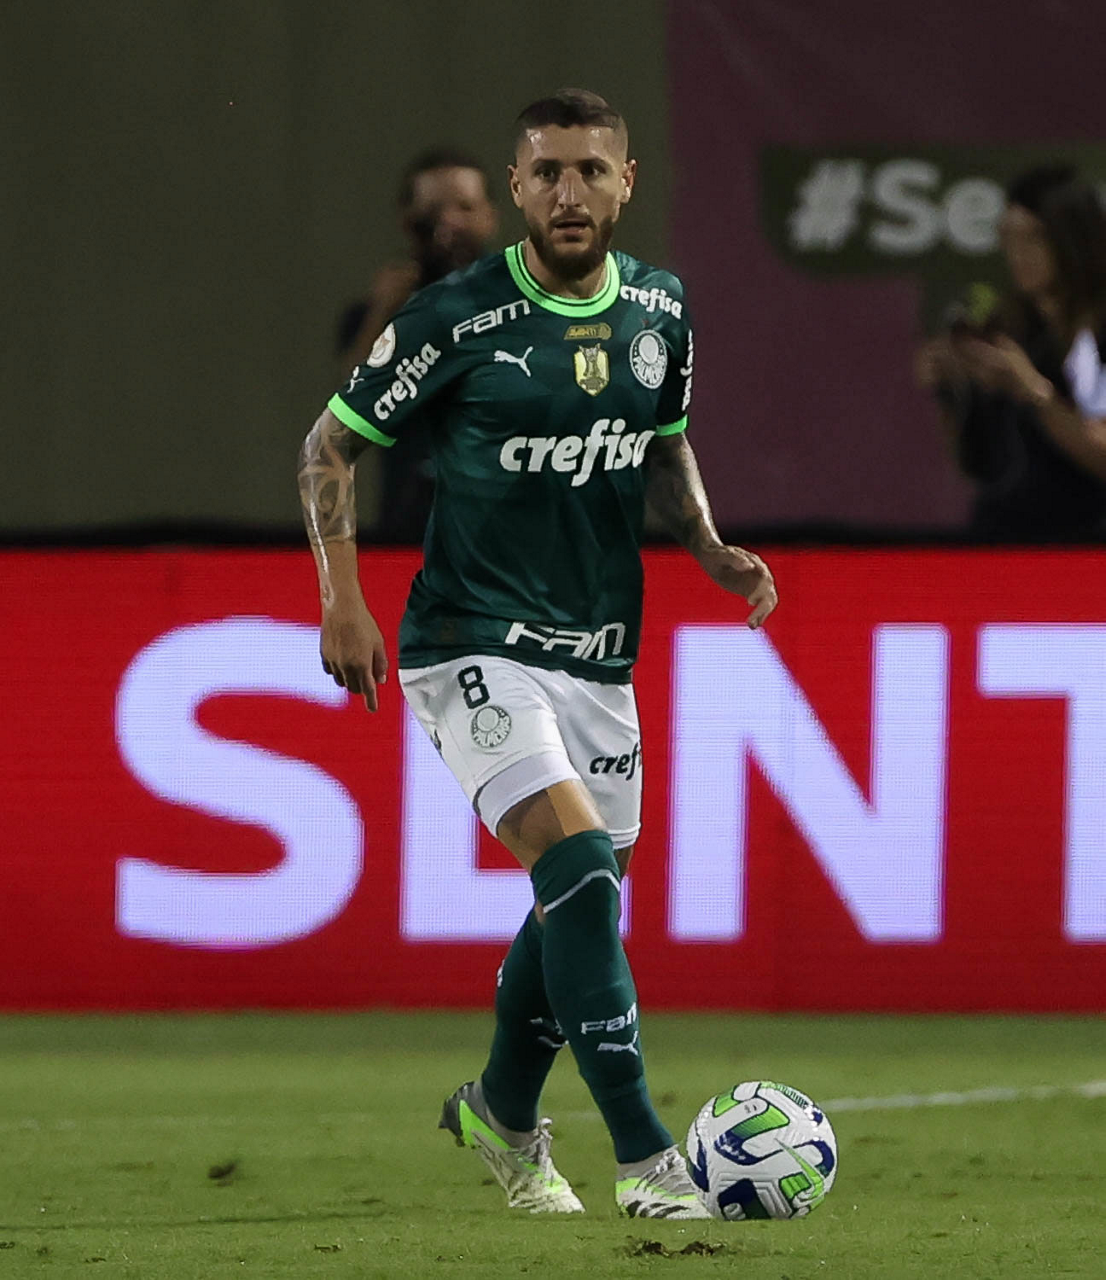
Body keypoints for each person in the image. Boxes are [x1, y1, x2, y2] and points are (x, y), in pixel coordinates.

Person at [298, 88, 777, 1218]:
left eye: (590, 170)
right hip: (469, 639)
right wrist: (342, 600)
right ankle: (649, 1160)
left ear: (625, 183)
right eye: (547, 172)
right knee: (578, 866)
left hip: (600, 653)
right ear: (516, 187)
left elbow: (662, 443)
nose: (569, 192)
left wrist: (707, 544)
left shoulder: (660, 308)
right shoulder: (453, 317)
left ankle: (500, 1113)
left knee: (581, 900)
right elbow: (327, 447)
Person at [916, 165, 1106, 539]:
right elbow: (979, 466)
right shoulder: (1009, 329)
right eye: (1009, 238)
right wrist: (953, 390)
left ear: (1072, 238)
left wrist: (1034, 392)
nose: (1019, 254)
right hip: (1004, 534)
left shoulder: (1096, 334)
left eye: (1034, 238)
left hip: (1087, 539)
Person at [336, 148, 500, 540]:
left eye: (465, 207)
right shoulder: (385, 312)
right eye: (433, 211)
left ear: (490, 216)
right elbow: (351, 407)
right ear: (407, 221)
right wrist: (383, 312)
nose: (449, 222)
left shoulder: (520, 302)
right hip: (410, 522)